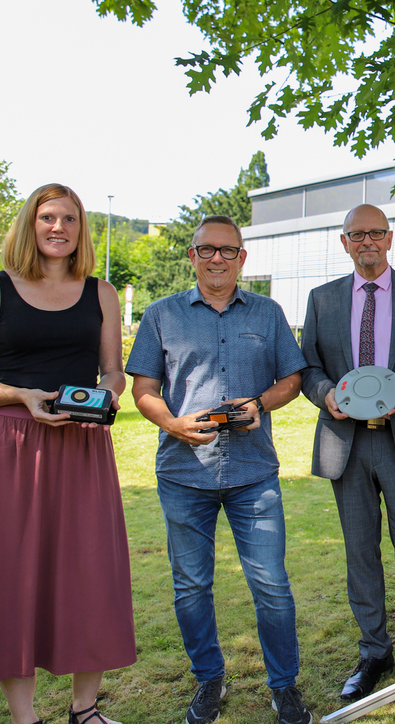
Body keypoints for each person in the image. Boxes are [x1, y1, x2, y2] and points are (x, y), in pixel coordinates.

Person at [0, 183, 135, 724]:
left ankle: (85, 709)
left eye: (70, 219)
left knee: (90, 570)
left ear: (81, 229)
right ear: (30, 225)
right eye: (48, 217)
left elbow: (112, 369)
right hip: (10, 446)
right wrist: (22, 396)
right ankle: (24, 716)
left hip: (81, 445)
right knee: (13, 573)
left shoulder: (100, 292)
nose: (59, 228)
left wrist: (108, 396)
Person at [126, 215, 312, 724]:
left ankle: (284, 685)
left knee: (272, 584)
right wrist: (174, 423)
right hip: (185, 473)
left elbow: (292, 378)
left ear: (242, 258)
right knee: (190, 586)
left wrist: (260, 404)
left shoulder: (269, 313)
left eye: (228, 250)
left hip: (254, 473)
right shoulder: (161, 315)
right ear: (192, 255)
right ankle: (209, 680)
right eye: (207, 249)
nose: (217, 259)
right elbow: (142, 390)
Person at [299, 204, 395, 714]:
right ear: (344, 243)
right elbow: (308, 367)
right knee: (359, 553)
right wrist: (325, 393)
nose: (366, 241)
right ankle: (373, 653)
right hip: (346, 443)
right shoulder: (321, 299)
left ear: (390, 239)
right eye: (356, 234)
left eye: (375, 233)